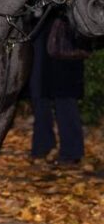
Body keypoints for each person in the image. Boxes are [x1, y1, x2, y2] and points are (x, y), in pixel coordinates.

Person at [30, 9, 87, 166]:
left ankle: (71, 152)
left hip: (65, 43)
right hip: (40, 42)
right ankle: (43, 147)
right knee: (39, 96)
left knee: (65, 98)